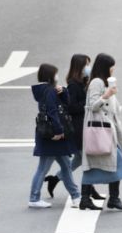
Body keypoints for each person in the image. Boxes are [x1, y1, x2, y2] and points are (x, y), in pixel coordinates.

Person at [45, 54, 103, 202]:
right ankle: (89, 191)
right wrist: (88, 105)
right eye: (86, 65)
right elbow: (71, 107)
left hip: (83, 125)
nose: (88, 68)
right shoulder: (73, 84)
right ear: (79, 67)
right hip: (78, 128)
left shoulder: (83, 82)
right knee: (87, 159)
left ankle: (56, 179)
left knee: (80, 159)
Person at [81, 53, 122, 211]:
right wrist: (107, 95)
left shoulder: (102, 82)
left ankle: (89, 199)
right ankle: (110, 198)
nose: (113, 69)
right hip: (101, 130)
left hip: (107, 129)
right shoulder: (96, 82)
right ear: (105, 67)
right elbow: (93, 105)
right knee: (112, 165)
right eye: (111, 66)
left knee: (98, 166)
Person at [28, 63, 82, 209]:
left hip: (49, 136)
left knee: (65, 166)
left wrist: (63, 91)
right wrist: (59, 131)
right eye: (56, 74)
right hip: (54, 137)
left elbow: (64, 103)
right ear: (50, 76)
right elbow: (53, 112)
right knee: (45, 168)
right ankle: (34, 198)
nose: (58, 76)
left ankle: (76, 196)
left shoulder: (43, 90)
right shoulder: (49, 91)